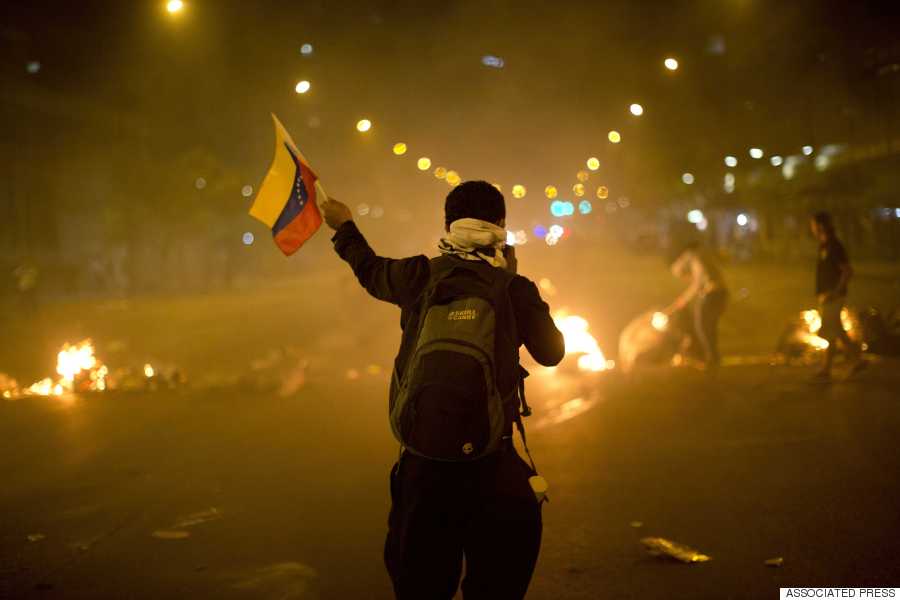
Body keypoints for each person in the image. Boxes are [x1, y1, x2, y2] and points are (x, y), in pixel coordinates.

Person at [322, 181, 565, 600]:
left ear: (448, 225)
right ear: (501, 226)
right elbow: (552, 353)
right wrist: (515, 281)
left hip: (425, 469)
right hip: (492, 464)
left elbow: (369, 269)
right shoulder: (511, 288)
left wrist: (344, 226)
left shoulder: (419, 275)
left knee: (421, 587)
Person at [809, 211, 865, 381]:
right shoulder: (824, 246)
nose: (811, 228)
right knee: (835, 331)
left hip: (834, 297)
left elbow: (847, 271)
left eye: (812, 224)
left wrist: (835, 292)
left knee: (830, 331)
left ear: (820, 225)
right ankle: (846, 363)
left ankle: (845, 362)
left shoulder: (835, 246)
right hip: (826, 296)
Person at [662, 242, 728, 369]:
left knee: (703, 326)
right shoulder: (699, 257)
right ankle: (713, 358)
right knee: (709, 327)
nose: (686, 279)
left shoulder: (695, 259)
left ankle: (711, 358)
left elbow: (697, 284)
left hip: (713, 294)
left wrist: (684, 299)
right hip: (719, 294)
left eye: (684, 276)